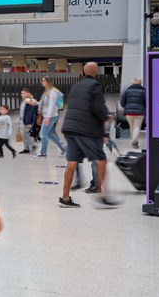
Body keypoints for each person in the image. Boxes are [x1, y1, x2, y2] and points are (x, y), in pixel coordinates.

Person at [57, 62, 119, 209]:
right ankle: (102, 195)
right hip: (86, 130)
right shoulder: (95, 86)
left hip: (70, 128)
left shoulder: (75, 86)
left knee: (71, 162)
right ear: (95, 71)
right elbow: (98, 109)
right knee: (101, 160)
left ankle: (65, 197)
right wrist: (107, 116)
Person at [36, 77, 65, 158]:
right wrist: (35, 103)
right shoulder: (46, 92)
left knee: (43, 134)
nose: (42, 82)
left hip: (51, 116)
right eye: (42, 80)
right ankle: (63, 148)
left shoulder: (53, 92)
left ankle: (43, 152)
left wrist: (48, 117)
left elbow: (52, 106)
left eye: (43, 80)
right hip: (48, 116)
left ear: (48, 82)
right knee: (50, 134)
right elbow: (44, 104)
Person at [119, 78, 147, 149]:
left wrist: (126, 107)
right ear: (140, 83)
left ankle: (135, 140)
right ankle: (134, 141)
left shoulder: (127, 91)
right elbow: (147, 102)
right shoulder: (144, 91)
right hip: (140, 112)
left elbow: (122, 103)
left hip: (129, 112)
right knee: (137, 127)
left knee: (132, 127)